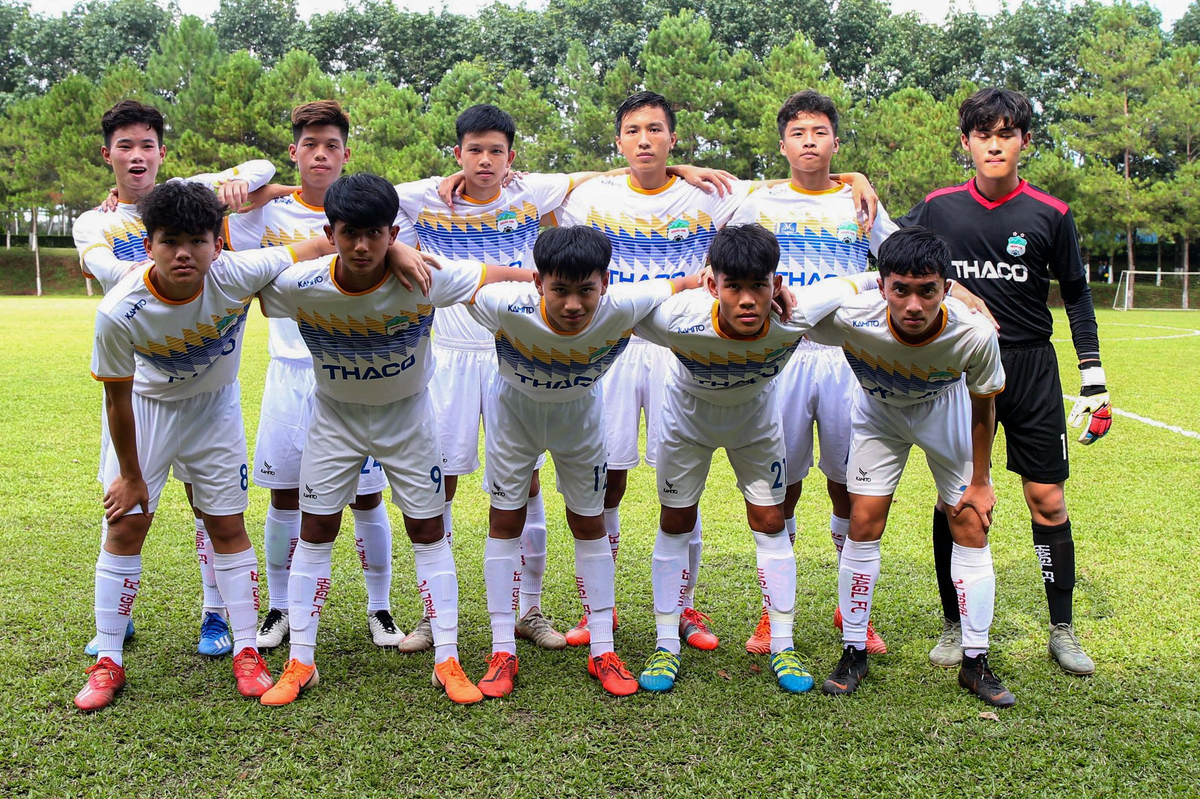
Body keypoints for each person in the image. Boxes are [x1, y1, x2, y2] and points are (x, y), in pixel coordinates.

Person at [548, 90, 879, 648]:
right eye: (633, 131)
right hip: (624, 338)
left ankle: (685, 608)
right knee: (609, 480)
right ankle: (596, 610)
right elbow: (538, 190)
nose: (645, 140)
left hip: (691, 343)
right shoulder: (591, 196)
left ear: (673, 138)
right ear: (618, 140)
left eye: (656, 130)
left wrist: (853, 177)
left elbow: (797, 180)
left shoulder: (712, 195)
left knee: (685, 490)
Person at [254, 173, 532, 706]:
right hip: (334, 420)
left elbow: (494, 275)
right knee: (316, 528)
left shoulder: (423, 278)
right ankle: (301, 662)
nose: (362, 246)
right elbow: (243, 281)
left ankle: (447, 659)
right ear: (330, 233)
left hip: (407, 421)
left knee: (428, 529)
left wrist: (547, 278)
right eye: (349, 233)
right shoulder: (299, 284)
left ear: (393, 232)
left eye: (375, 234)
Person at [75, 181, 337, 711]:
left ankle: (247, 651)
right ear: (148, 245)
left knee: (226, 526)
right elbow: (117, 401)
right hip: (147, 411)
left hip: (214, 410)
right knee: (126, 525)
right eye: (170, 241)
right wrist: (130, 476)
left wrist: (398, 250)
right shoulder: (119, 309)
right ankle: (108, 659)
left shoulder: (236, 273)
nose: (183, 253)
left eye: (196, 240)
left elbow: (319, 244)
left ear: (217, 244)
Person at [900, 88, 1110, 676]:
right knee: (957, 498)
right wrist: (952, 288)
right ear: (966, 143)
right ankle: (954, 623)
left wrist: (1093, 376)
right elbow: (891, 248)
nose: (995, 145)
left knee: (1047, 498)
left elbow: (1077, 295)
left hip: (1031, 367)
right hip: (960, 367)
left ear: (1024, 141)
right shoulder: (937, 208)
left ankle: (1062, 629)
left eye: (1007, 134)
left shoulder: (1051, 213)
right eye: (984, 135)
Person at [463, 225, 708, 698]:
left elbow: (681, 284)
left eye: (586, 291)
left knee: (589, 523)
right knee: (505, 520)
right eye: (559, 290)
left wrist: (715, 279)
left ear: (606, 283)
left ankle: (602, 650)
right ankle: (501, 650)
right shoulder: (503, 303)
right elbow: (450, 279)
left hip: (580, 422)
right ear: (538, 283)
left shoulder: (624, 306)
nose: (573, 305)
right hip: (514, 418)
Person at [632, 224, 878, 694]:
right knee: (676, 520)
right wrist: (679, 283)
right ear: (712, 285)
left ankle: (782, 644)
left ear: (776, 284)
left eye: (758, 286)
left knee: (770, 521)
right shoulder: (678, 317)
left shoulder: (796, 313)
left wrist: (960, 294)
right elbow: (616, 305)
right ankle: (665, 644)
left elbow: (861, 281)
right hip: (686, 424)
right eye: (734, 287)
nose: (747, 300)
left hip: (756, 424)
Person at [73, 99, 276, 658]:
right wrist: (172, 264)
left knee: (212, 509)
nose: (136, 156)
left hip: (209, 392)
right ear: (108, 155)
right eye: (125, 146)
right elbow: (111, 270)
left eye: (147, 145)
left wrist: (230, 190)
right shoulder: (95, 222)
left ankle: (216, 615)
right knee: (125, 509)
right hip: (146, 379)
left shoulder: (191, 196)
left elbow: (263, 171)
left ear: (162, 152)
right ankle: (114, 625)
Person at [225, 100, 413, 651]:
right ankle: (280, 608)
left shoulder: (367, 211)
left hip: (353, 371)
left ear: (346, 153)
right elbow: (222, 236)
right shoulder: (263, 214)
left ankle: (380, 608)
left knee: (366, 498)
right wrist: (264, 187)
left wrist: (401, 249)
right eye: (310, 145)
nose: (321, 154)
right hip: (289, 372)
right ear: (294, 152)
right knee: (285, 496)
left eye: (332, 145)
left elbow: (394, 239)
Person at [808, 226, 1014, 707]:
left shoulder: (974, 332)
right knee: (863, 522)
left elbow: (984, 407)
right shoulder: (850, 317)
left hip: (945, 412)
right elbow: (796, 311)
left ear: (947, 288)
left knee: (970, 522)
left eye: (928, 291)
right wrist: (858, 281)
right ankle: (854, 651)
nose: (914, 305)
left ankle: (976, 661)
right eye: (900, 289)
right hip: (879, 417)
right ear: (882, 287)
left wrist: (981, 480)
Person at [728, 90, 898, 656]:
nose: (809, 142)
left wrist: (857, 180)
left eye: (819, 132)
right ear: (782, 145)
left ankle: (853, 611)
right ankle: (773, 612)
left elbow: (901, 257)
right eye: (798, 134)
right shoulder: (758, 202)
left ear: (835, 142)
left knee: (850, 487)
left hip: (849, 357)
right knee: (782, 486)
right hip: (783, 357)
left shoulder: (859, 203)